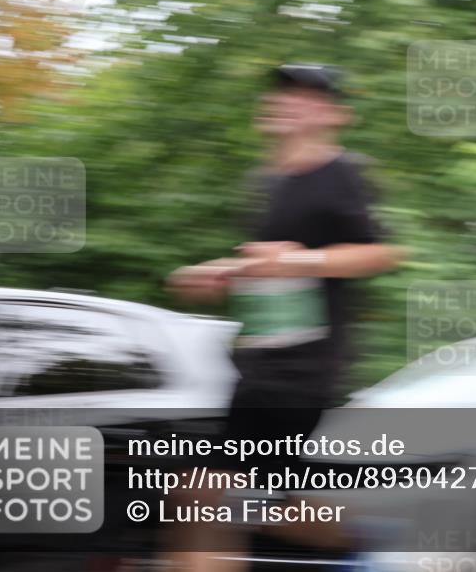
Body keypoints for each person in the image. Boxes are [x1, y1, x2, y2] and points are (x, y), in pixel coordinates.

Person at [164, 64, 401, 571]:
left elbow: (380, 254)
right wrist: (222, 272)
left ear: (336, 115)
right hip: (258, 366)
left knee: (204, 493)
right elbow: (272, 263)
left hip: (305, 371)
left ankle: (363, 544)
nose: (287, 101)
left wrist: (301, 261)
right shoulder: (268, 182)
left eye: (306, 97)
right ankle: (365, 543)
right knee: (267, 502)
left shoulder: (343, 172)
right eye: (283, 93)